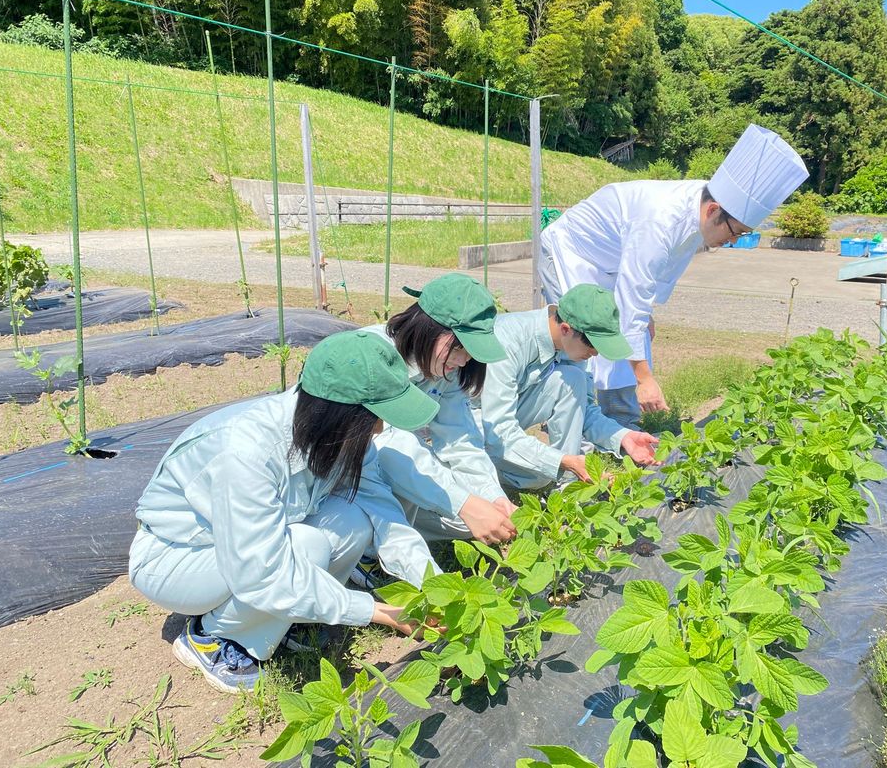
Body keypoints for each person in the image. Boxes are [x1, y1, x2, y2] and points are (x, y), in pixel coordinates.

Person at [128, 330, 441, 694]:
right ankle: (215, 637)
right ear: (341, 415)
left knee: (354, 520)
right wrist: (377, 611)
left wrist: (436, 586)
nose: (380, 428)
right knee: (306, 547)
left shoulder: (330, 434)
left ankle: (288, 619)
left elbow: (382, 509)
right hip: (176, 558)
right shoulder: (246, 452)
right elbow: (262, 570)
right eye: (375, 417)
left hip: (246, 550)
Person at [540, 124, 809, 427]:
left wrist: (646, 316)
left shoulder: (698, 211)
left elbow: (647, 285)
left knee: (625, 342)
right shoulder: (660, 219)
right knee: (577, 343)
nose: (733, 241)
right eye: (735, 232)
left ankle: (620, 429)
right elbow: (631, 301)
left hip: (613, 266)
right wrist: (645, 380)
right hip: (573, 253)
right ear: (713, 211)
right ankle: (569, 436)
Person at [349, 274, 516, 587]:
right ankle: (365, 554)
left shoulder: (445, 368)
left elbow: (460, 438)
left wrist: (493, 498)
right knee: (453, 500)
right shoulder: (374, 357)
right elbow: (389, 445)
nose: (465, 358)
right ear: (430, 329)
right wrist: (465, 502)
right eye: (461, 347)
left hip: (396, 469)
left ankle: (391, 541)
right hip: (346, 478)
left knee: (470, 518)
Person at [478, 283, 660, 490]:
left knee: (572, 379)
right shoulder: (509, 342)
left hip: (501, 417)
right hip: (469, 421)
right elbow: (499, 429)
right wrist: (561, 461)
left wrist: (623, 436)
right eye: (593, 346)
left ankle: (566, 488)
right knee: (541, 473)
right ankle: (468, 472)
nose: (596, 354)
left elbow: (584, 409)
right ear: (566, 329)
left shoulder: (570, 345)